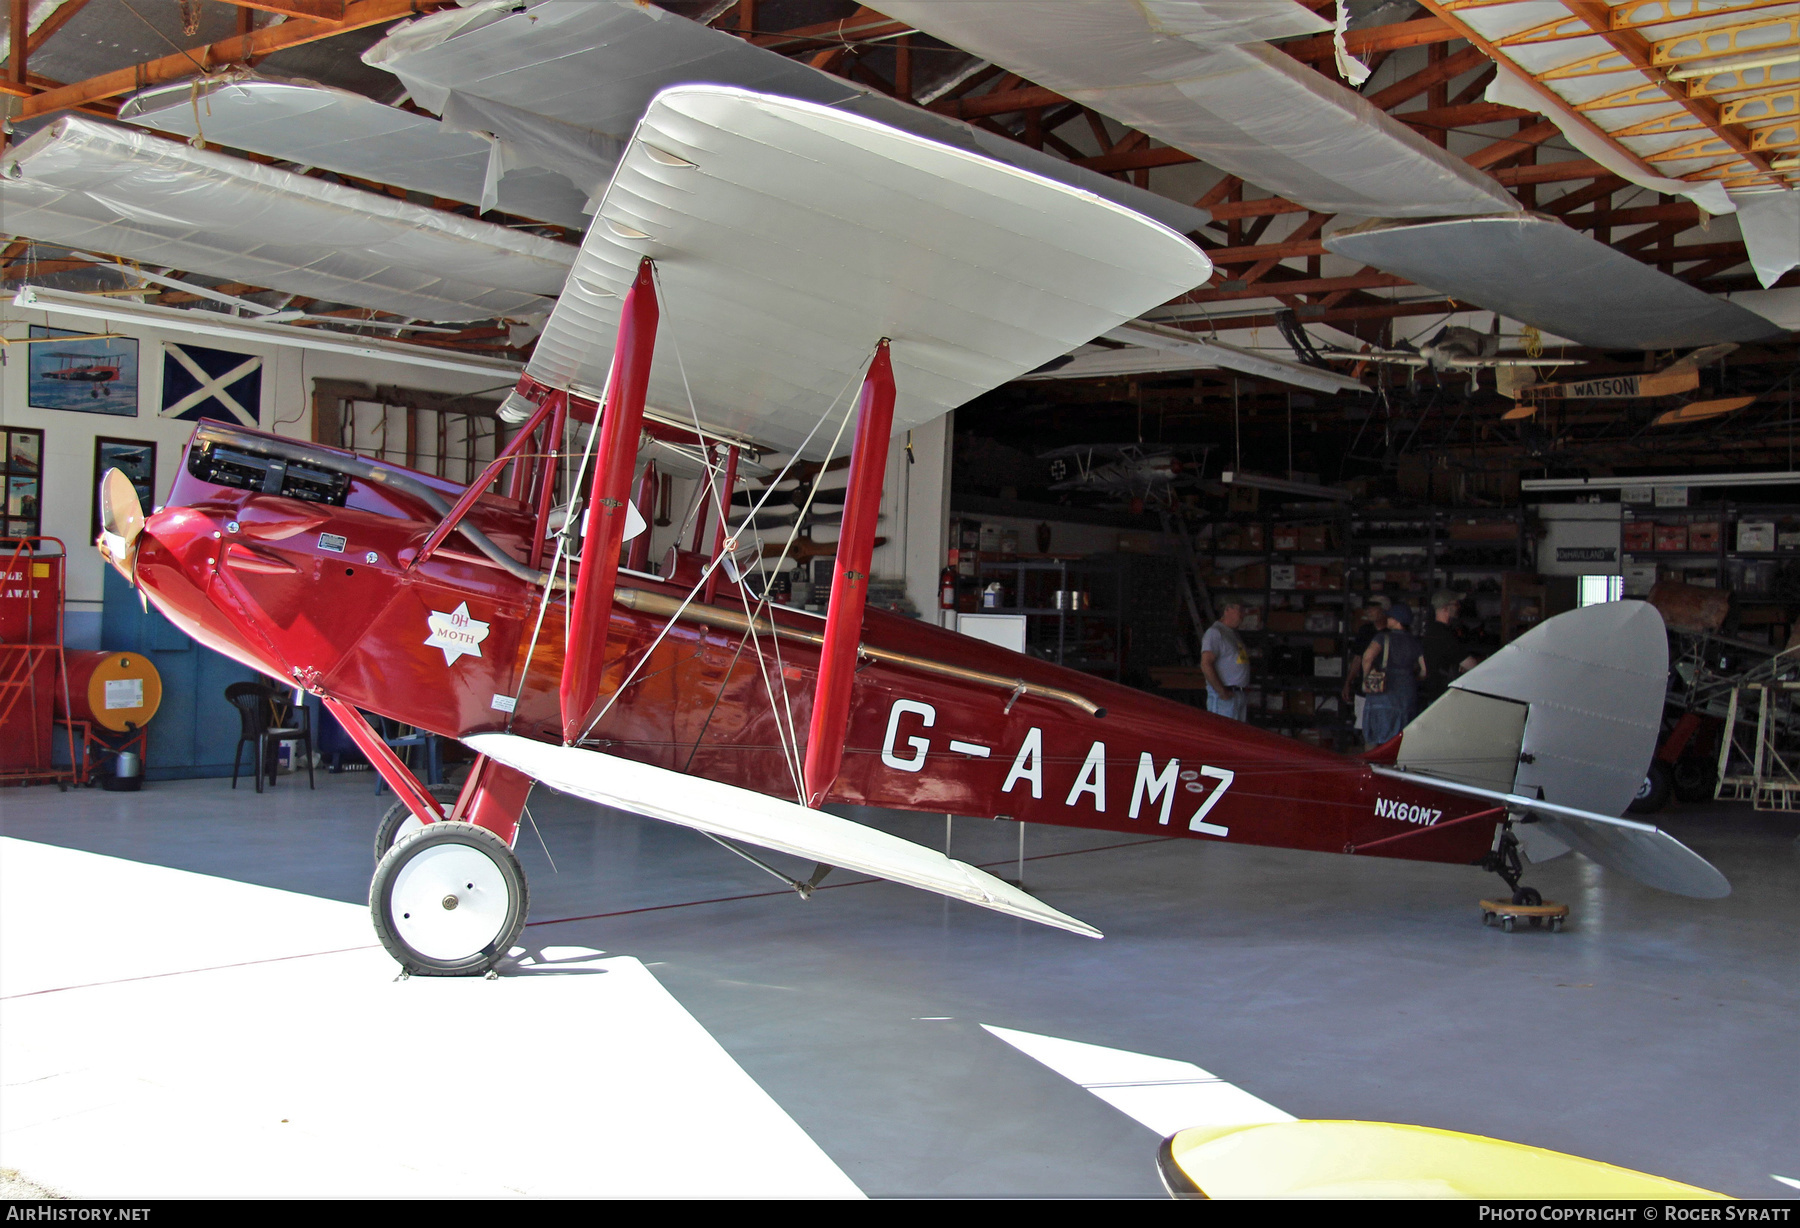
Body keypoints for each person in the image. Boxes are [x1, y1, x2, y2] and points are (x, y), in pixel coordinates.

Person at [1360, 602, 1426, 747]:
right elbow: (1424, 670)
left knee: (1376, 739)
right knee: (1400, 741)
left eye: (1390, 617)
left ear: (1397, 620)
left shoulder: (1382, 638)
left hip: (1384, 693)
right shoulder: (1415, 642)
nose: (1387, 619)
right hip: (1406, 694)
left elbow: (1367, 657)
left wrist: (1367, 676)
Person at [1343, 596, 1391, 741]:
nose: (1368, 611)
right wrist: (1348, 682)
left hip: (1388, 687)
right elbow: (1357, 658)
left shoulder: (1393, 631)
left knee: (1385, 728)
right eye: (1367, 608)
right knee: (1365, 727)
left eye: (1373, 607)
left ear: (1383, 610)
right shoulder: (1365, 630)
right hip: (1365, 685)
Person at [1201, 599, 1252, 721]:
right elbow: (1206, 663)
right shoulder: (1215, 633)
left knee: (1235, 737)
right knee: (1222, 736)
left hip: (1237, 695)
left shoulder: (1233, 634)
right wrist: (1221, 692)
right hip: (1225, 698)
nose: (1243, 614)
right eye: (1240, 610)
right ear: (1227, 610)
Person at [1420, 590, 1466, 711]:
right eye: (1455, 604)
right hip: (1445, 697)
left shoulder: (1430, 631)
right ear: (1446, 608)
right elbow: (1469, 663)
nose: (1458, 607)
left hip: (1435, 694)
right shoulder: (1445, 635)